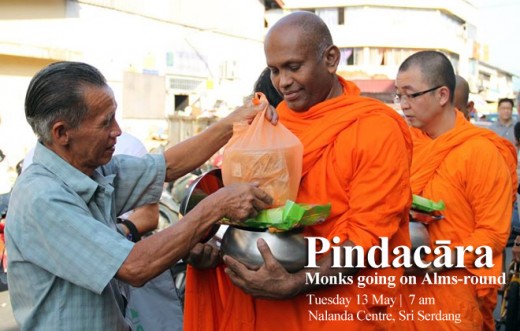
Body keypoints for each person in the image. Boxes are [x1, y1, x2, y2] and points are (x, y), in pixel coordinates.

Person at [184, 11, 413, 331]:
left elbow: (369, 237)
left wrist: (299, 282)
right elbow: (248, 209)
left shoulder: (375, 128)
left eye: (294, 67)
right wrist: (214, 244)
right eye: (274, 70)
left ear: (331, 59)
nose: (283, 82)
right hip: (264, 302)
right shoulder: (272, 125)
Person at [5, 61, 276, 330]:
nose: (117, 131)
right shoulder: (42, 198)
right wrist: (215, 206)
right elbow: (135, 266)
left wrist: (235, 121)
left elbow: (167, 166)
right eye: (105, 122)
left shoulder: (88, 170)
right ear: (62, 132)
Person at [393, 50, 517, 331]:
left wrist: (434, 263)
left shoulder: (480, 152)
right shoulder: (402, 144)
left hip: (450, 295)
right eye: (398, 95)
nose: (403, 105)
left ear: (442, 95)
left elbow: (494, 234)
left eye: (410, 95)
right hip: (398, 291)